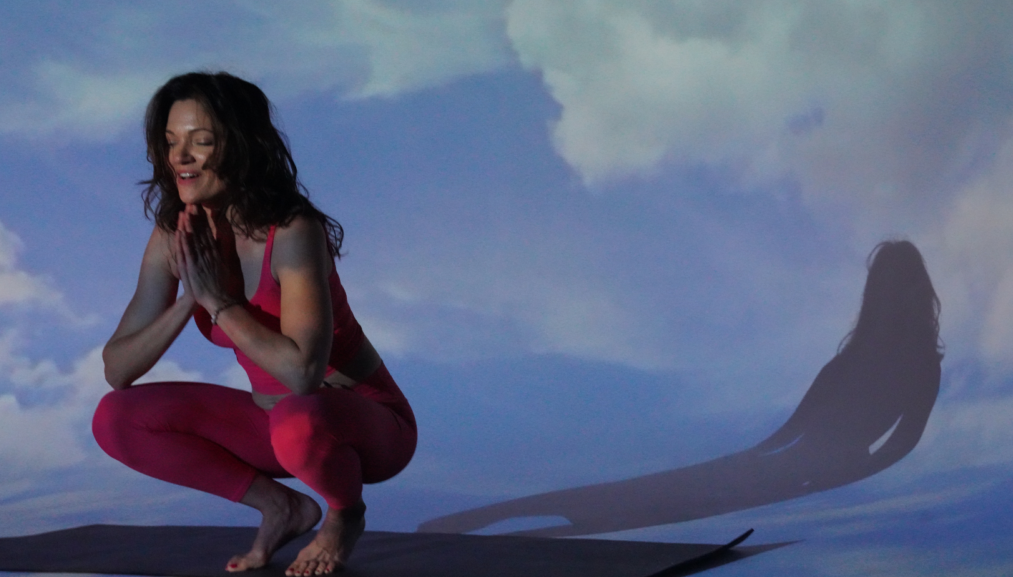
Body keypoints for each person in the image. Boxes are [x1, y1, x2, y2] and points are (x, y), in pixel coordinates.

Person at [91, 72, 417, 575]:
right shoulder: (175, 236)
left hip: (363, 424)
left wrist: (219, 302)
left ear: (243, 147)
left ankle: (345, 515)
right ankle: (281, 507)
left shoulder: (291, 231)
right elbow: (118, 368)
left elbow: (304, 375)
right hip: (275, 427)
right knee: (116, 416)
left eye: (201, 142)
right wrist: (189, 299)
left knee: (298, 416)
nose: (180, 157)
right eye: (171, 142)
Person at [418, 240, 941, 537]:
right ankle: (488, 520)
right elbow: (804, 429)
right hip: (788, 469)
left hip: (801, 473)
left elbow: (900, 442)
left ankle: (511, 527)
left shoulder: (898, 365)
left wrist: (836, 472)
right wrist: (773, 460)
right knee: (645, 497)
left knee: (650, 503)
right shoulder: (853, 362)